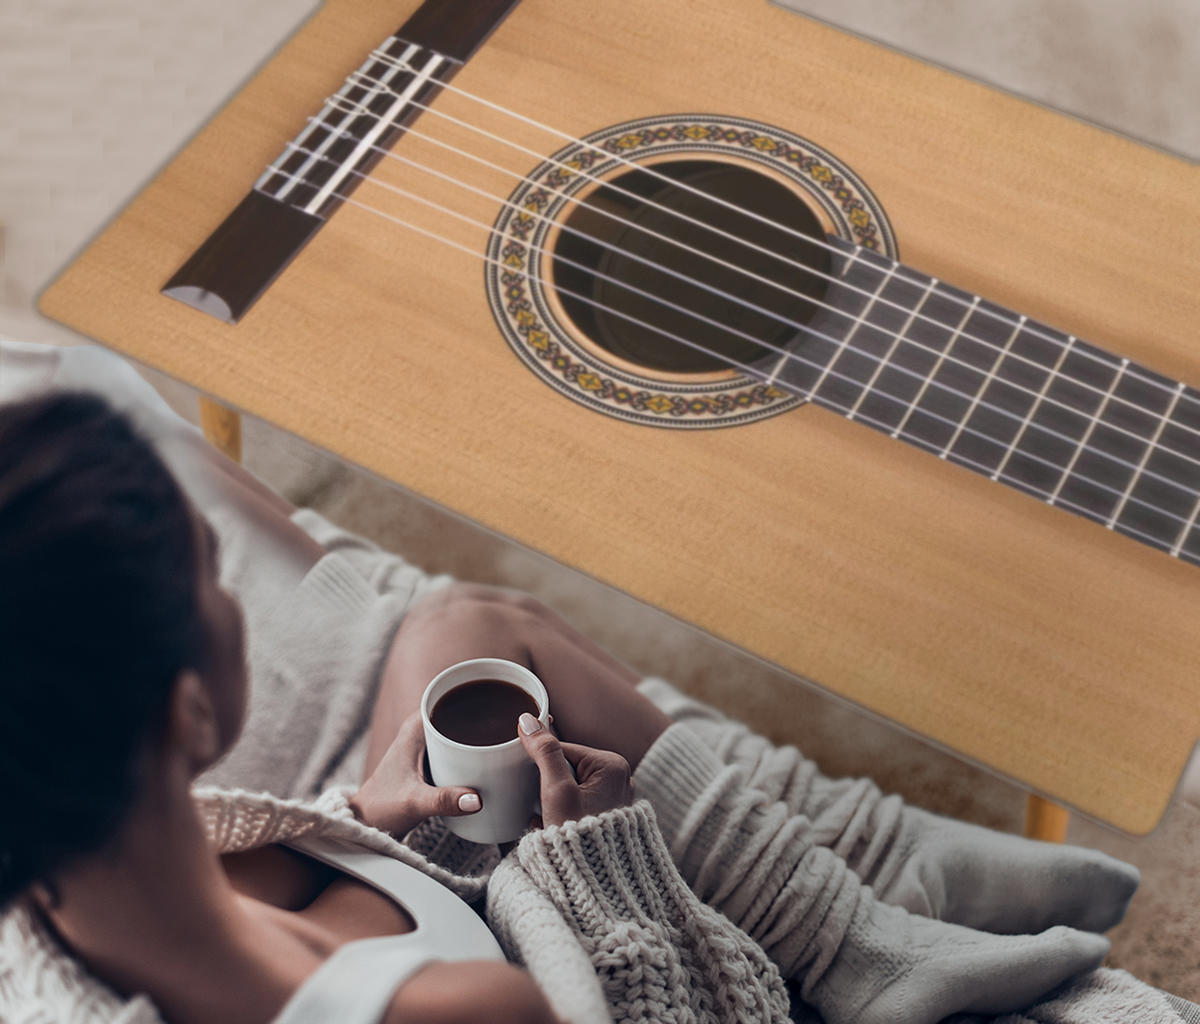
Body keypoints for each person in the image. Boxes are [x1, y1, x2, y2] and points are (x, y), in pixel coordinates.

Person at [0, 387, 1147, 1024]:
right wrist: (603, 864)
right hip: (564, 959)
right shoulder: (464, 1016)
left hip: (397, 900)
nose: (237, 594)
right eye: (213, 575)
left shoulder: (49, 886)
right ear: (189, 715)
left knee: (459, 632)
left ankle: (864, 894)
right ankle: (846, 941)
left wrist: (354, 821)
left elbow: (248, 898)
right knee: (487, 661)